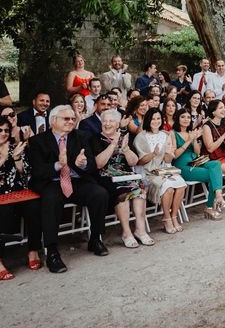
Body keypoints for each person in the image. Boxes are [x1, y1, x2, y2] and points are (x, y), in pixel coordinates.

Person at [27, 105, 110, 273]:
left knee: (100, 194)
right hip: (51, 182)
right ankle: (52, 252)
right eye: (66, 119)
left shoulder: (81, 137)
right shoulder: (38, 141)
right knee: (51, 199)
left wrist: (83, 163)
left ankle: (95, 238)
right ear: (53, 121)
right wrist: (59, 164)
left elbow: (92, 164)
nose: (71, 122)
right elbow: (37, 170)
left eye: (73, 119)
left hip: (76, 180)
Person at [91, 110, 154, 248]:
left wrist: (125, 149)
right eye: (104, 121)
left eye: (111, 121)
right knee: (123, 190)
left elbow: (133, 162)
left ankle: (140, 229)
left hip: (126, 175)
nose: (107, 124)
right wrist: (113, 145)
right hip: (106, 177)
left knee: (140, 187)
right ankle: (126, 232)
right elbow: (99, 164)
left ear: (117, 124)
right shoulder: (95, 139)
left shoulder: (124, 137)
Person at [0, 115, 42, 280]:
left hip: (17, 192)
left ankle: (33, 250)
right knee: (3, 212)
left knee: (35, 205)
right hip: (1, 196)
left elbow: (24, 174)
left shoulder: (14, 148)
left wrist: (16, 158)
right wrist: (5, 158)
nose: (3, 133)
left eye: (6, 130)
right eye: (0, 130)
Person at [133, 108, 186, 234]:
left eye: (158, 118)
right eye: (153, 118)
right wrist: (153, 154)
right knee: (168, 188)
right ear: (148, 120)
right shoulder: (141, 137)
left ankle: (174, 216)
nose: (155, 121)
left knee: (181, 184)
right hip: (147, 172)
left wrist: (170, 153)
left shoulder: (165, 135)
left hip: (163, 169)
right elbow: (140, 162)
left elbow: (167, 159)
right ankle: (166, 218)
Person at [172, 108, 225, 221]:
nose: (186, 119)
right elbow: (174, 155)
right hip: (183, 167)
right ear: (177, 118)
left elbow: (197, 152)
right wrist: (188, 141)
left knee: (216, 164)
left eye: (188, 117)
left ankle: (218, 195)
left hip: (197, 161)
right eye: (183, 117)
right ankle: (210, 206)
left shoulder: (190, 132)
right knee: (214, 175)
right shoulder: (173, 134)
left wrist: (194, 139)